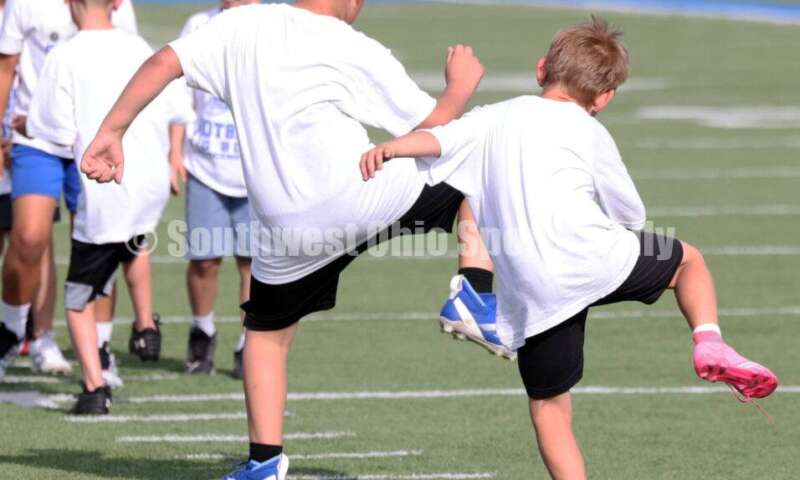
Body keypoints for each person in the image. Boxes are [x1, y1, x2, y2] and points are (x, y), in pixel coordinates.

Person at [79, 0, 500, 476]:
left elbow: (163, 63)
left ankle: (264, 464)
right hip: (355, 196)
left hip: (283, 225)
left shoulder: (239, 24)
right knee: (476, 167)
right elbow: (432, 131)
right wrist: (460, 87)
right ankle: (475, 294)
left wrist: (112, 131)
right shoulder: (351, 45)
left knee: (263, 335)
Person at [360, 16, 779, 479]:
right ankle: (709, 342)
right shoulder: (592, 132)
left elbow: (436, 142)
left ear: (541, 70)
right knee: (688, 262)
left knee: (550, 409)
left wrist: (391, 148)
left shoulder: (495, 117)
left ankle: (474, 294)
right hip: (594, 259)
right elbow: (631, 217)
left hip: (534, 289)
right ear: (603, 98)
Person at [27, 0, 186, 413]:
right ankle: (145, 324)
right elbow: (169, 107)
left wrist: (20, 126)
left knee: (78, 298)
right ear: (117, 2)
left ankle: (95, 388)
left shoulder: (64, 55)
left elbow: (54, 129)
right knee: (133, 246)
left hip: (102, 190)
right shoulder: (138, 48)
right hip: (144, 185)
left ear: (68, 4)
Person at [0, 0, 153, 383]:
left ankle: (99, 348)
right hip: (35, 139)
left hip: (95, 140)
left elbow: (136, 75)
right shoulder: (25, 5)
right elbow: (7, 69)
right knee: (29, 238)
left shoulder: (118, 7)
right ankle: (12, 331)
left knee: (99, 244)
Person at [170, 0, 260, 378]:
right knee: (204, 260)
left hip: (257, 171)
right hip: (206, 163)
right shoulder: (198, 25)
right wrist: (174, 150)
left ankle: (249, 343)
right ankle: (202, 332)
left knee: (252, 263)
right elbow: (178, 90)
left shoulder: (272, 27)